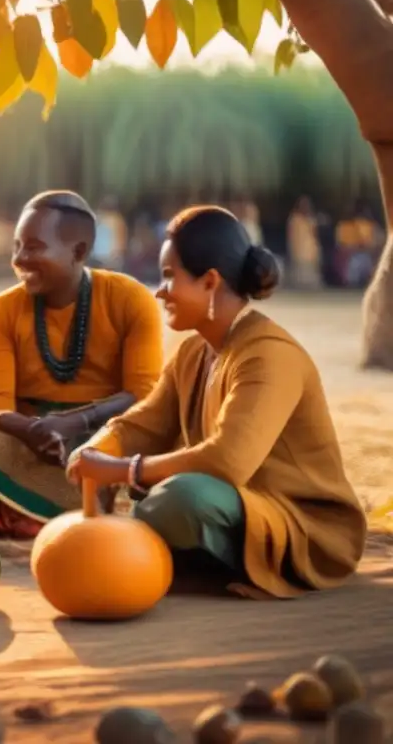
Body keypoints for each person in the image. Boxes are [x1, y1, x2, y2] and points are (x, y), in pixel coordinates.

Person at [69, 205, 366, 599]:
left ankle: (155, 546)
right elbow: (145, 422)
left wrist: (124, 471)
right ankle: (163, 546)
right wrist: (94, 452)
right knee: (165, 495)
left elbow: (227, 461)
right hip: (236, 502)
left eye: (170, 277)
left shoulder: (268, 353)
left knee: (180, 498)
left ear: (210, 282)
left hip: (302, 526)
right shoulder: (195, 350)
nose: (160, 290)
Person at [0, 191, 164, 538]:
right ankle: (78, 514)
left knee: (152, 448)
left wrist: (77, 422)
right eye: (17, 246)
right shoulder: (3, 309)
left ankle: (54, 516)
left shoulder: (131, 299)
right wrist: (33, 431)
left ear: (79, 252)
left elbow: (144, 393)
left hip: (108, 433)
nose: (19, 259)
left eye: (34, 247)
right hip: (32, 437)